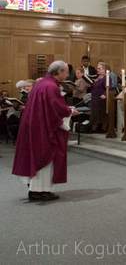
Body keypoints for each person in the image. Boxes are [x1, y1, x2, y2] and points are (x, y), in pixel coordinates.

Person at [12, 61, 79, 201]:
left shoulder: (41, 83)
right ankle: (40, 191)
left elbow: (48, 106)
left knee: (37, 156)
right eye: (66, 72)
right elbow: (56, 107)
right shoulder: (51, 86)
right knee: (45, 156)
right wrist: (69, 111)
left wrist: (66, 110)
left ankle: (35, 190)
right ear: (59, 72)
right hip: (43, 127)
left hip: (35, 124)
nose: (67, 75)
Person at [89, 62, 113, 133]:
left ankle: (102, 127)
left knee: (101, 113)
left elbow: (109, 88)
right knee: (95, 113)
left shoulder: (107, 78)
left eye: (99, 68)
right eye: (97, 68)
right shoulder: (98, 77)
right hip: (95, 98)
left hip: (101, 99)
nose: (97, 70)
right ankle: (94, 127)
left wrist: (105, 94)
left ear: (105, 69)